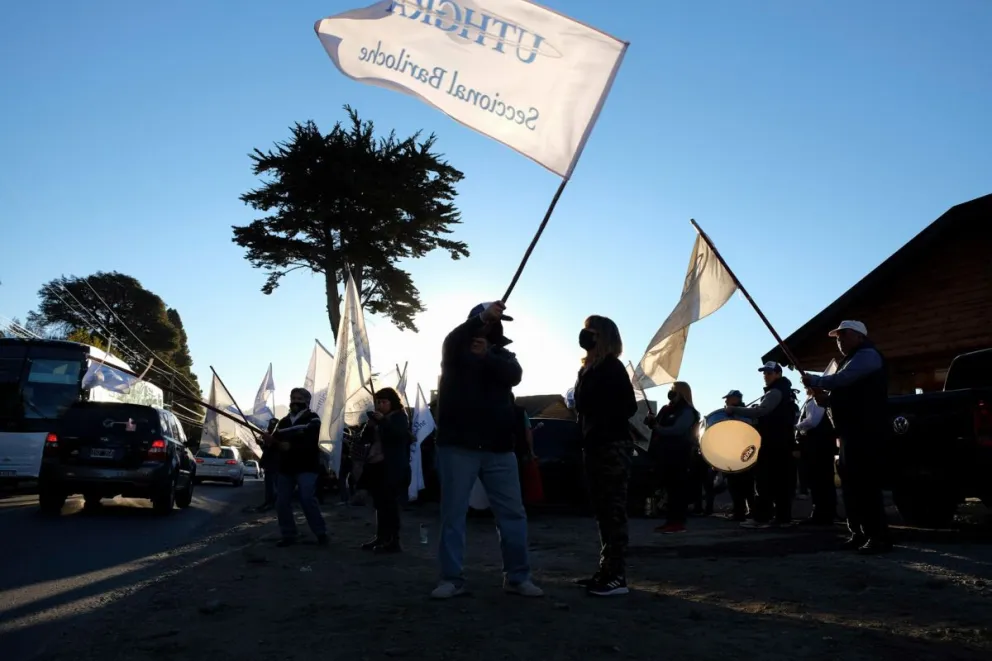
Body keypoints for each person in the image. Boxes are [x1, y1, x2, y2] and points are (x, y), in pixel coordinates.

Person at [432, 301, 543, 599]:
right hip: (457, 446)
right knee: (453, 515)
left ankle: (518, 577)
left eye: (496, 321)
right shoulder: (454, 351)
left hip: (499, 447)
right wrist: (481, 319)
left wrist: (486, 357)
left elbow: (514, 375)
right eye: (488, 319)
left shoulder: (502, 356)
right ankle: (451, 579)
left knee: (512, 514)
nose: (493, 325)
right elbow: (453, 339)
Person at [802, 320, 891, 554]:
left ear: (859, 336)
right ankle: (858, 532)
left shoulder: (867, 355)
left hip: (865, 430)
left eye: (844, 336)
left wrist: (816, 380)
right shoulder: (849, 360)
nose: (839, 340)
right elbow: (846, 393)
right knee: (852, 486)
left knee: (865, 485)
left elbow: (843, 381)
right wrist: (827, 400)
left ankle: (878, 536)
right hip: (849, 432)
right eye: (838, 337)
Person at [572, 316, 638, 596]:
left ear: (603, 337)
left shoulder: (612, 367)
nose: (585, 335)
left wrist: (600, 411)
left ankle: (616, 576)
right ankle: (606, 570)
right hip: (595, 444)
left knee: (612, 510)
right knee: (602, 510)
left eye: (591, 331)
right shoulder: (588, 368)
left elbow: (628, 406)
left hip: (612, 444)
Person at [727, 362, 798, 529]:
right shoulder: (783, 391)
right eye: (764, 373)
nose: (766, 376)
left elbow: (761, 411)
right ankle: (782, 518)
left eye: (769, 373)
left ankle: (762, 517)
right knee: (781, 482)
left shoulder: (775, 392)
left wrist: (735, 409)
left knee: (765, 481)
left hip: (773, 442)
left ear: (778, 374)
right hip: (782, 442)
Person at [262, 388, 328, 547]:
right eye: (293, 398)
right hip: (286, 468)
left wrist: (290, 446)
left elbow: (311, 441)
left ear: (306, 401)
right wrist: (268, 441)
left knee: (307, 499)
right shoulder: (283, 422)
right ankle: (289, 534)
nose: (295, 401)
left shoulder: (313, 419)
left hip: (307, 466)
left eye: (299, 398)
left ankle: (321, 533)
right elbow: (275, 444)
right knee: (281, 502)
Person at [359, 387, 412, 553]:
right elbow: (365, 439)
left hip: (393, 467)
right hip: (376, 465)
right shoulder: (377, 419)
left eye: (384, 402)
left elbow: (398, 435)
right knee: (379, 504)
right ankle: (381, 537)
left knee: (390, 504)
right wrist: (369, 427)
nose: (380, 405)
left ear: (392, 402)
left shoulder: (399, 417)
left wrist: (382, 421)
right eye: (378, 402)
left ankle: (393, 541)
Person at [646, 382, 701, 536]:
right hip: (665, 454)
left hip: (680, 454)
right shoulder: (666, 409)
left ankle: (678, 522)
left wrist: (657, 427)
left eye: (674, 390)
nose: (671, 393)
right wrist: (651, 421)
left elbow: (677, 430)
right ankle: (670, 521)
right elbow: (657, 426)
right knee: (669, 489)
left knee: (678, 489)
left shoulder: (688, 412)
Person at [796, 386, 837, 525]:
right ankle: (823, 512)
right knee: (819, 480)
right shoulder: (812, 401)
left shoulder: (817, 401)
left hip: (819, 445)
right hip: (819, 445)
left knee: (821, 480)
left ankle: (824, 513)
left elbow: (813, 421)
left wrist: (797, 426)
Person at [722, 390, 756, 521]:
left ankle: (748, 511)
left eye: (729, 398)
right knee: (735, 484)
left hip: (744, 452)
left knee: (744, 484)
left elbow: (747, 427)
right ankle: (741, 510)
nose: (726, 401)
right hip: (733, 452)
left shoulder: (744, 412)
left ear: (736, 399)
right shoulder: (729, 413)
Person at [257, 418, 280, 512]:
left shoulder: (278, 436)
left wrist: (265, 443)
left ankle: (273, 503)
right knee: (269, 485)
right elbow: (266, 450)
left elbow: (274, 449)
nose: (270, 427)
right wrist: (261, 444)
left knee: (273, 486)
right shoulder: (268, 435)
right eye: (270, 425)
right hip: (269, 464)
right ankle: (268, 502)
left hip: (275, 464)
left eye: (272, 425)